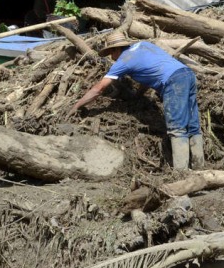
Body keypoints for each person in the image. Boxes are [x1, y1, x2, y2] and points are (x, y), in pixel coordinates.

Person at [69, 32, 204, 170]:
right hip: (187, 74)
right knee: (193, 126)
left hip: (173, 82)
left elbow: (99, 88)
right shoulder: (144, 45)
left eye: (111, 53)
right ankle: (199, 168)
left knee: (177, 128)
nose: (111, 57)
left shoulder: (123, 61)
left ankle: (181, 173)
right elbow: (150, 72)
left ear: (116, 49)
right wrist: (138, 95)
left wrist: (77, 105)